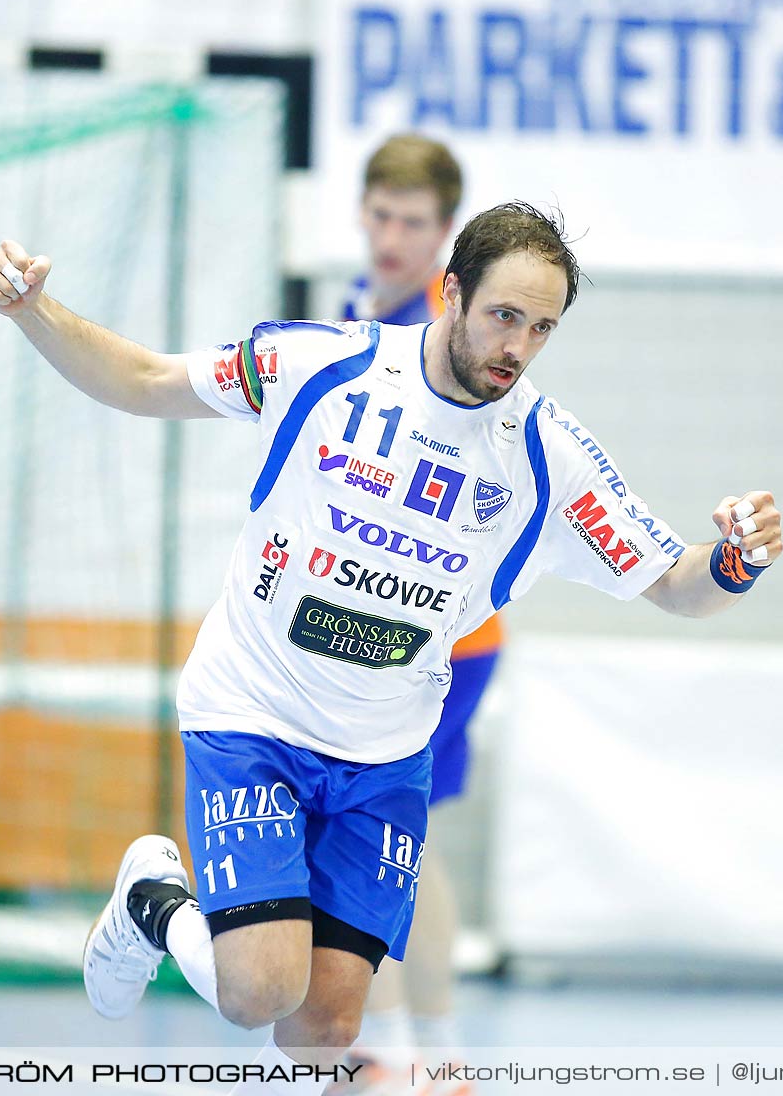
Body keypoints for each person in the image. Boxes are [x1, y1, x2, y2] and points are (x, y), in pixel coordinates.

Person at [0, 201, 783, 1094]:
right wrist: (32, 312)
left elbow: (675, 582)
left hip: (386, 754)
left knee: (323, 1030)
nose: (517, 346)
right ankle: (153, 901)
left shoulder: (548, 457)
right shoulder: (321, 366)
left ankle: (178, 921)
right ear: (451, 294)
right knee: (259, 992)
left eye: (543, 328)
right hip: (255, 711)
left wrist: (736, 561)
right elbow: (142, 379)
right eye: (503, 316)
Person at [341, 135, 498, 1086]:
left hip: (442, 634)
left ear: (446, 236)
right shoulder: (364, 319)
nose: (394, 237)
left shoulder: (448, 332)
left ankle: (398, 1052)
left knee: (382, 837)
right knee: (404, 837)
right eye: (382, 215)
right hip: (392, 625)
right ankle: (426, 1052)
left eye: (415, 223)